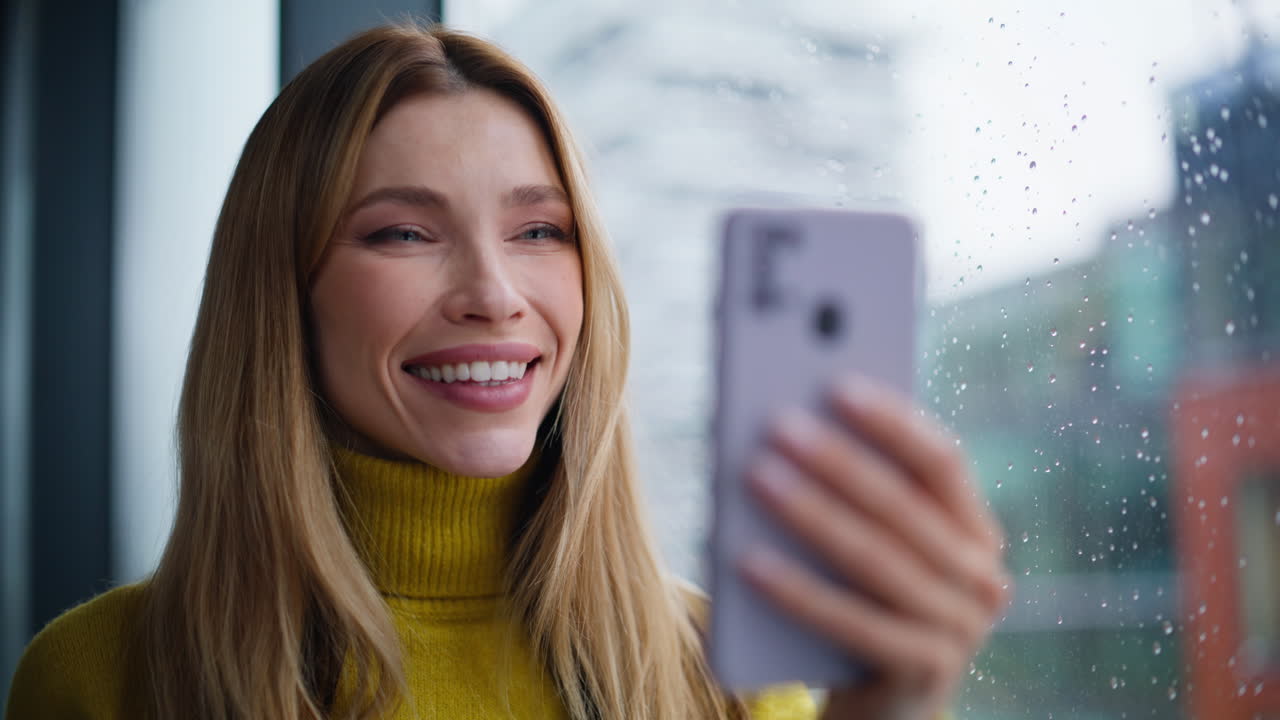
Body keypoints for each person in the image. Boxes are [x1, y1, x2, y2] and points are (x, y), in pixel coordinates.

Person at [4, 22, 1008, 720]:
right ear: (283, 296)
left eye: (538, 231)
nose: (493, 293)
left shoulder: (726, 675)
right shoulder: (97, 679)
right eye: (403, 232)